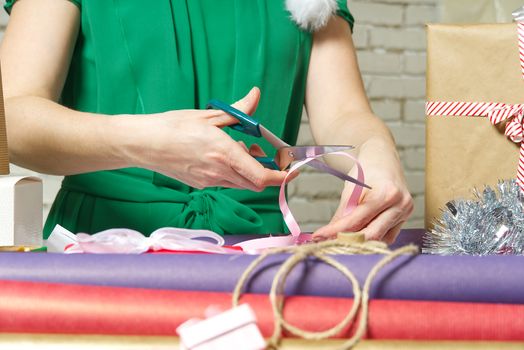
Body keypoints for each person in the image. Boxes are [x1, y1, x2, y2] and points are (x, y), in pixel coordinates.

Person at [0, 0, 413, 243]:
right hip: (100, 247)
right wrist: (142, 143)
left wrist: (377, 154)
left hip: (257, 254)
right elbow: (12, 117)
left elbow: (345, 114)